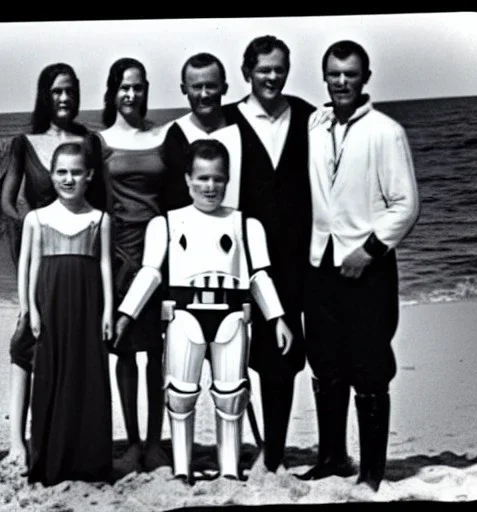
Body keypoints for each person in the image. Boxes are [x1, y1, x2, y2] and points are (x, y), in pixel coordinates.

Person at [114, 139, 293, 483]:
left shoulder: (246, 225)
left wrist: (278, 318)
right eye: (202, 178)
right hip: (184, 315)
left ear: (228, 180)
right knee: (180, 395)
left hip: (230, 316)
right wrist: (127, 313)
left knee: (232, 395)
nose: (210, 187)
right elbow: (150, 273)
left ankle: (229, 469)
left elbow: (259, 276)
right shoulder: (165, 224)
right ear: (187, 179)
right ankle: (182, 469)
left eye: (218, 179)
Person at [300, 40, 420, 491]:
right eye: (334, 74)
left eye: (351, 74)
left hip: (366, 269)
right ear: (325, 77)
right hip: (320, 263)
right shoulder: (315, 125)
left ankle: (371, 474)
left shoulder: (386, 131)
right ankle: (333, 458)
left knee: (370, 367)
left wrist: (367, 251)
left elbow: (406, 205)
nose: (342, 82)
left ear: (366, 77)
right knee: (325, 364)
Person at [0, 63, 107, 473]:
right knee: (23, 345)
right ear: (45, 96)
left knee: (70, 350)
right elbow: (7, 200)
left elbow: (100, 201)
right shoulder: (24, 144)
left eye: (70, 91)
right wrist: (27, 233)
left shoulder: (89, 141)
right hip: (40, 259)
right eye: (56, 92)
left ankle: (71, 439)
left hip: (78, 262)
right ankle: (18, 445)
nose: (63, 98)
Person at [222, 35, 315, 473]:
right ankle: (235, 449)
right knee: (236, 353)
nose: (273, 77)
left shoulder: (309, 117)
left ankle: (272, 452)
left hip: (297, 260)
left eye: (279, 69)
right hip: (240, 258)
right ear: (247, 73)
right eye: (264, 70)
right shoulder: (225, 121)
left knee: (284, 354)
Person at [20, 141, 113, 486]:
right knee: (50, 376)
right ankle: (49, 460)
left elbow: (105, 265)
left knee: (87, 375)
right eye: (62, 172)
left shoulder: (99, 219)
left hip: (88, 306)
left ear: (89, 175)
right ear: (51, 175)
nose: (69, 178)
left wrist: (108, 311)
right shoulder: (37, 218)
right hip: (51, 305)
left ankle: (88, 463)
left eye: (76, 172)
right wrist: (29, 308)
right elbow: (31, 267)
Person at [98, 57, 172, 474]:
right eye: (123, 87)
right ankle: (131, 442)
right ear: (113, 92)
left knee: (159, 353)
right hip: (120, 254)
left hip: (161, 253)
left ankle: (156, 443)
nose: (131, 94)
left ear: (146, 89)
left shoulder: (163, 136)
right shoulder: (101, 141)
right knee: (125, 354)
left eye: (138, 87)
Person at [163, 52, 242, 210]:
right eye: (197, 87)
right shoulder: (172, 136)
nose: (204, 94)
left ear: (224, 88)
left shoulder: (244, 129)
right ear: (184, 89)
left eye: (211, 86)